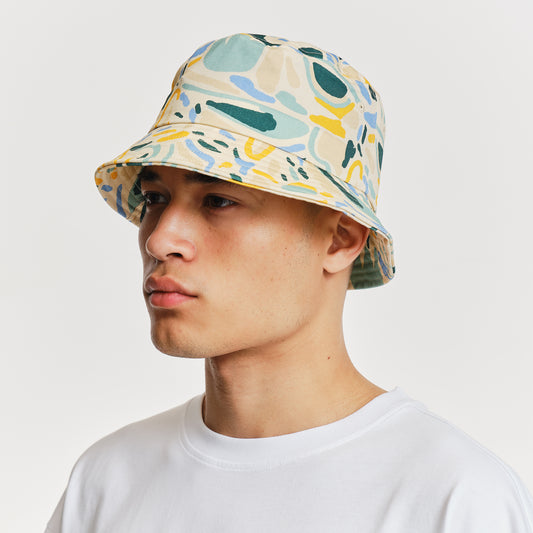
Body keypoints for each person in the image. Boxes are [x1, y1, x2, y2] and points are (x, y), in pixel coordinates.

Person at [45, 33, 533, 532]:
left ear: (340, 238)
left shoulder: (451, 499)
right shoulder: (108, 481)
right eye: (155, 199)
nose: (159, 239)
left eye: (218, 200)